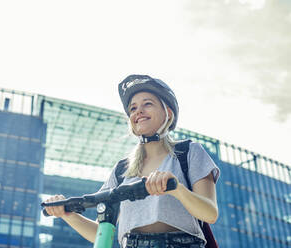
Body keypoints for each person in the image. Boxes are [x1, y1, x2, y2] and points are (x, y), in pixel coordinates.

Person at [44, 74, 220, 248]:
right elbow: (100, 232)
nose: (139, 111)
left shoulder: (188, 153)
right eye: (133, 108)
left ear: (167, 112)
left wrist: (177, 189)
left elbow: (210, 213)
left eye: (147, 104)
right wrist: (67, 214)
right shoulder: (122, 169)